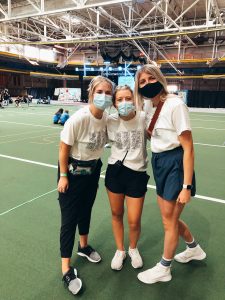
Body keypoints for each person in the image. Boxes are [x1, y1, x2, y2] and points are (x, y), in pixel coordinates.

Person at [134, 64, 206, 284]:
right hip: (159, 163)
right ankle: (194, 248)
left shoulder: (175, 104)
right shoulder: (148, 106)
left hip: (175, 163)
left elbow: (188, 148)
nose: (147, 84)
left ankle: (164, 267)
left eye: (150, 79)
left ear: (159, 79)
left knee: (169, 221)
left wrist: (186, 186)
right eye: (142, 82)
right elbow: (149, 133)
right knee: (169, 218)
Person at [57, 76, 114, 295]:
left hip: (92, 170)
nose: (104, 96)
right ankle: (65, 268)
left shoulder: (106, 118)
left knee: (86, 209)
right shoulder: (78, 119)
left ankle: (83, 246)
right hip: (72, 171)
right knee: (69, 218)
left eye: (108, 92)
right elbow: (63, 148)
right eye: (99, 91)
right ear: (91, 93)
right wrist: (63, 176)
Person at [105, 85, 150, 271]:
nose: (124, 102)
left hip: (137, 174)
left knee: (134, 219)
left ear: (134, 100)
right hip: (115, 172)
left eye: (127, 98)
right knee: (116, 214)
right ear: (114, 104)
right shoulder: (109, 121)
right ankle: (120, 250)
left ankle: (133, 248)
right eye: (119, 99)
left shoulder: (143, 118)